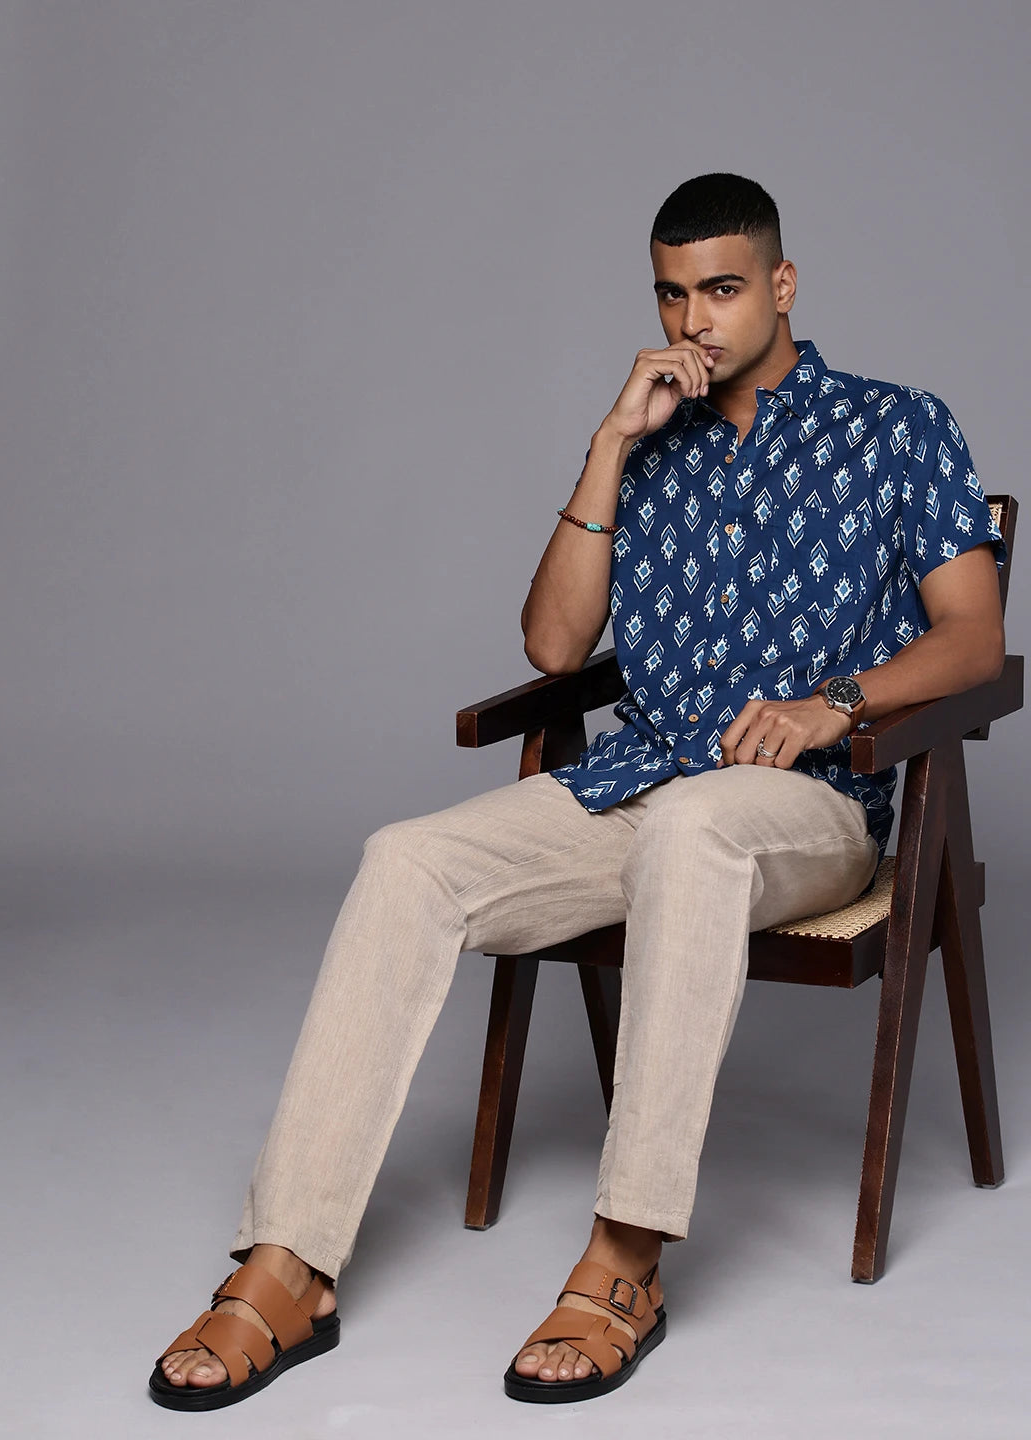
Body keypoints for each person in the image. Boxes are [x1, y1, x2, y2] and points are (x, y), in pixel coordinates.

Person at [149, 173, 1006, 1410]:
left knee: (702, 833)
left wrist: (839, 704)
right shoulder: (651, 442)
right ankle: (288, 1267)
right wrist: (610, 444)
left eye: (720, 288)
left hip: (810, 803)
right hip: (635, 782)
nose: (694, 318)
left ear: (782, 284)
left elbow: (974, 637)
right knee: (407, 858)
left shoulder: (897, 424)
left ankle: (625, 1258)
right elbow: (555, 648)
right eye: (671, 293)